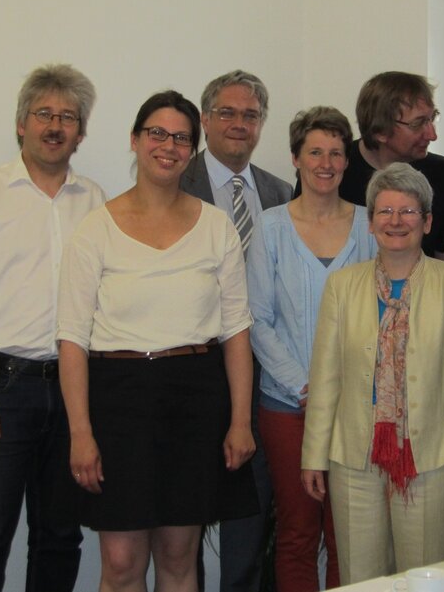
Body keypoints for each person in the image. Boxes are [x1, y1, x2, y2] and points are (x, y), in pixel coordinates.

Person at [57, 90, 258, 592]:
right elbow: (72, 339)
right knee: (121, 561)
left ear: (193, 149)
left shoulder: (216, 227)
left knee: (178, 555)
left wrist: (240, 421)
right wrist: (80, 432)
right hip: (117, 401)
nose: (168, 146)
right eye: (157, 133)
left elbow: (236, 331)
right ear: (135, 139)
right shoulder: (95, 229)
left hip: (195, 399)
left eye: (181, 138)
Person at [0, 64, 105, 592]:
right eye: (43, 114)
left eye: (68, 117)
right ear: (20, 124)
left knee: (60, 537)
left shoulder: (96, 202)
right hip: (1, 393)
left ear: (81, 132)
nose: (55, 126)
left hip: (73, 391)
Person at [301, 162, 444, 584]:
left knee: (423, 578)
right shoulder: (342, 287)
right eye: (385, 211)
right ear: (370, 223)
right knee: (361, 580)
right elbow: (326, 379)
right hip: (355, 455)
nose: (396, 221)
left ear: (427, 222)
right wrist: (313, 455)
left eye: (408, 211)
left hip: (429, 456)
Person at [246, 107, 377, 592]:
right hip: (288, 406)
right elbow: (257, 319)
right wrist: (306, 387)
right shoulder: (270, 227)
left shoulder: (371, 225)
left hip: (357, 407)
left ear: (347, 162)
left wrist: (344, 390)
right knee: (298, 532)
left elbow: (384, 316)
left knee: (349, 536)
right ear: (295, 159)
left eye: (336, 153)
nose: (326, 163)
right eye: (315, 152)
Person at [180, 70, 292, 592]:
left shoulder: (280, 193)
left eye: (251, 115)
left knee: (251, 509)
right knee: (186, 522)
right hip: (194, 371)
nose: (239, 123)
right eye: (227, 112)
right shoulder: (174, 183)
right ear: (205, 120)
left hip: (263, 376)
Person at [293, 71, 444, 257]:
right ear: (380, 131)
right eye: (418, 124)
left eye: (432, 118)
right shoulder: (330, 171)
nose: (432, 135)